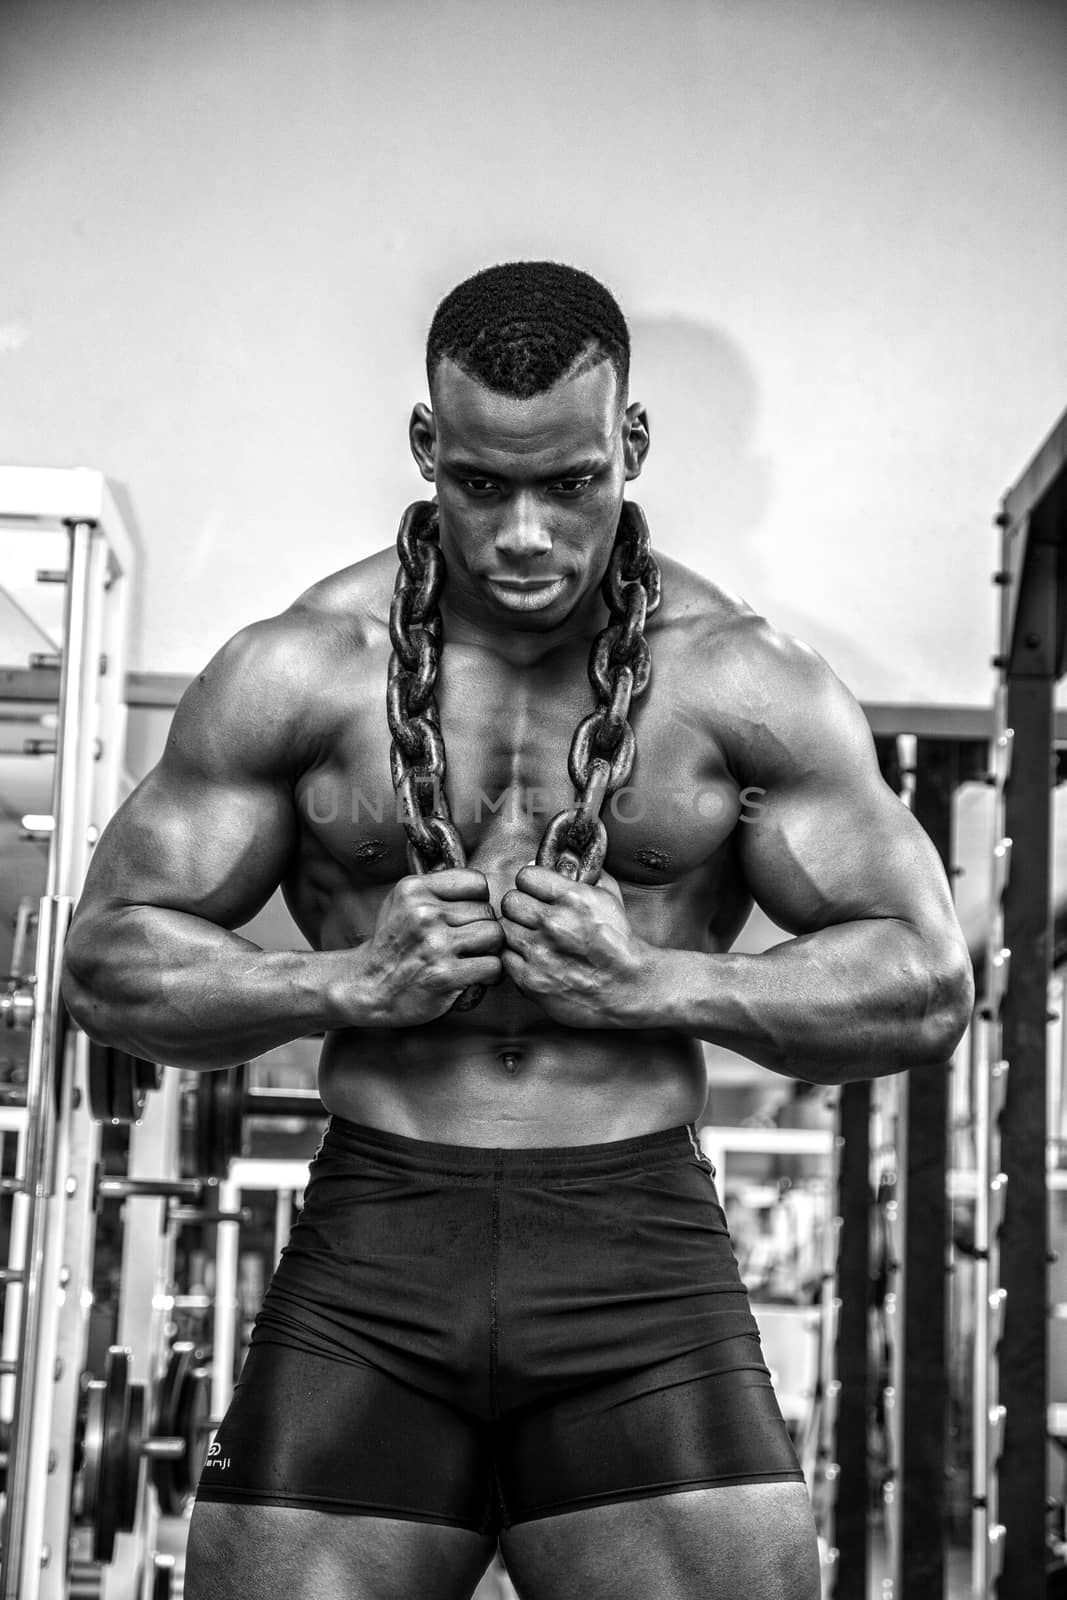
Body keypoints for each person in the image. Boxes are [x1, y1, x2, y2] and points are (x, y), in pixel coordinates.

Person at [62, 261, 974, 1600]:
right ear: (429, 446)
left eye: (573, 484)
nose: (529, 537)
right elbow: (107, 961)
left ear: (632, 448)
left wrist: (655, 979)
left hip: (637, 1255)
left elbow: (922, 983)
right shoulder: (302, 668)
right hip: (377, 1243)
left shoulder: (738, 679)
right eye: (483, 485)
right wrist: (347, 983)